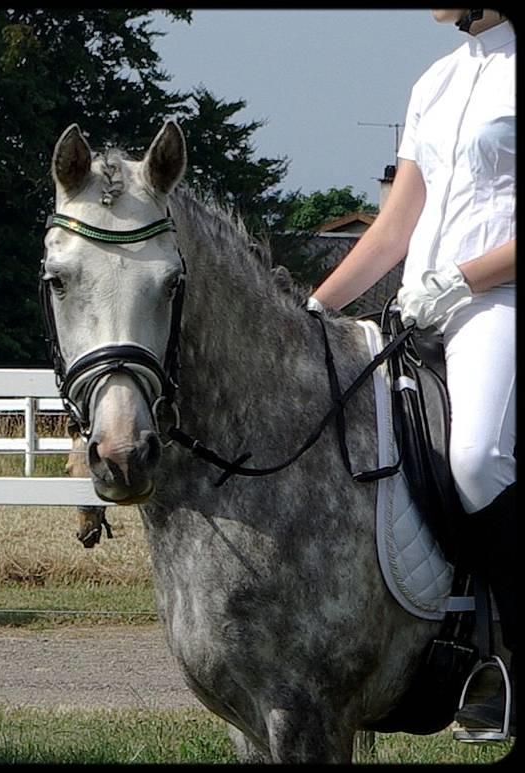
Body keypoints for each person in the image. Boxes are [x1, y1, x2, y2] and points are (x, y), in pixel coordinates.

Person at [307, 9, 515, 734]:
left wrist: (461, 280)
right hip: (420, 307)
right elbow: (394, 227)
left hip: (497, 301)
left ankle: (512, 658)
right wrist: (313, 307)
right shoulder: (436, 81)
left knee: (477, 459)